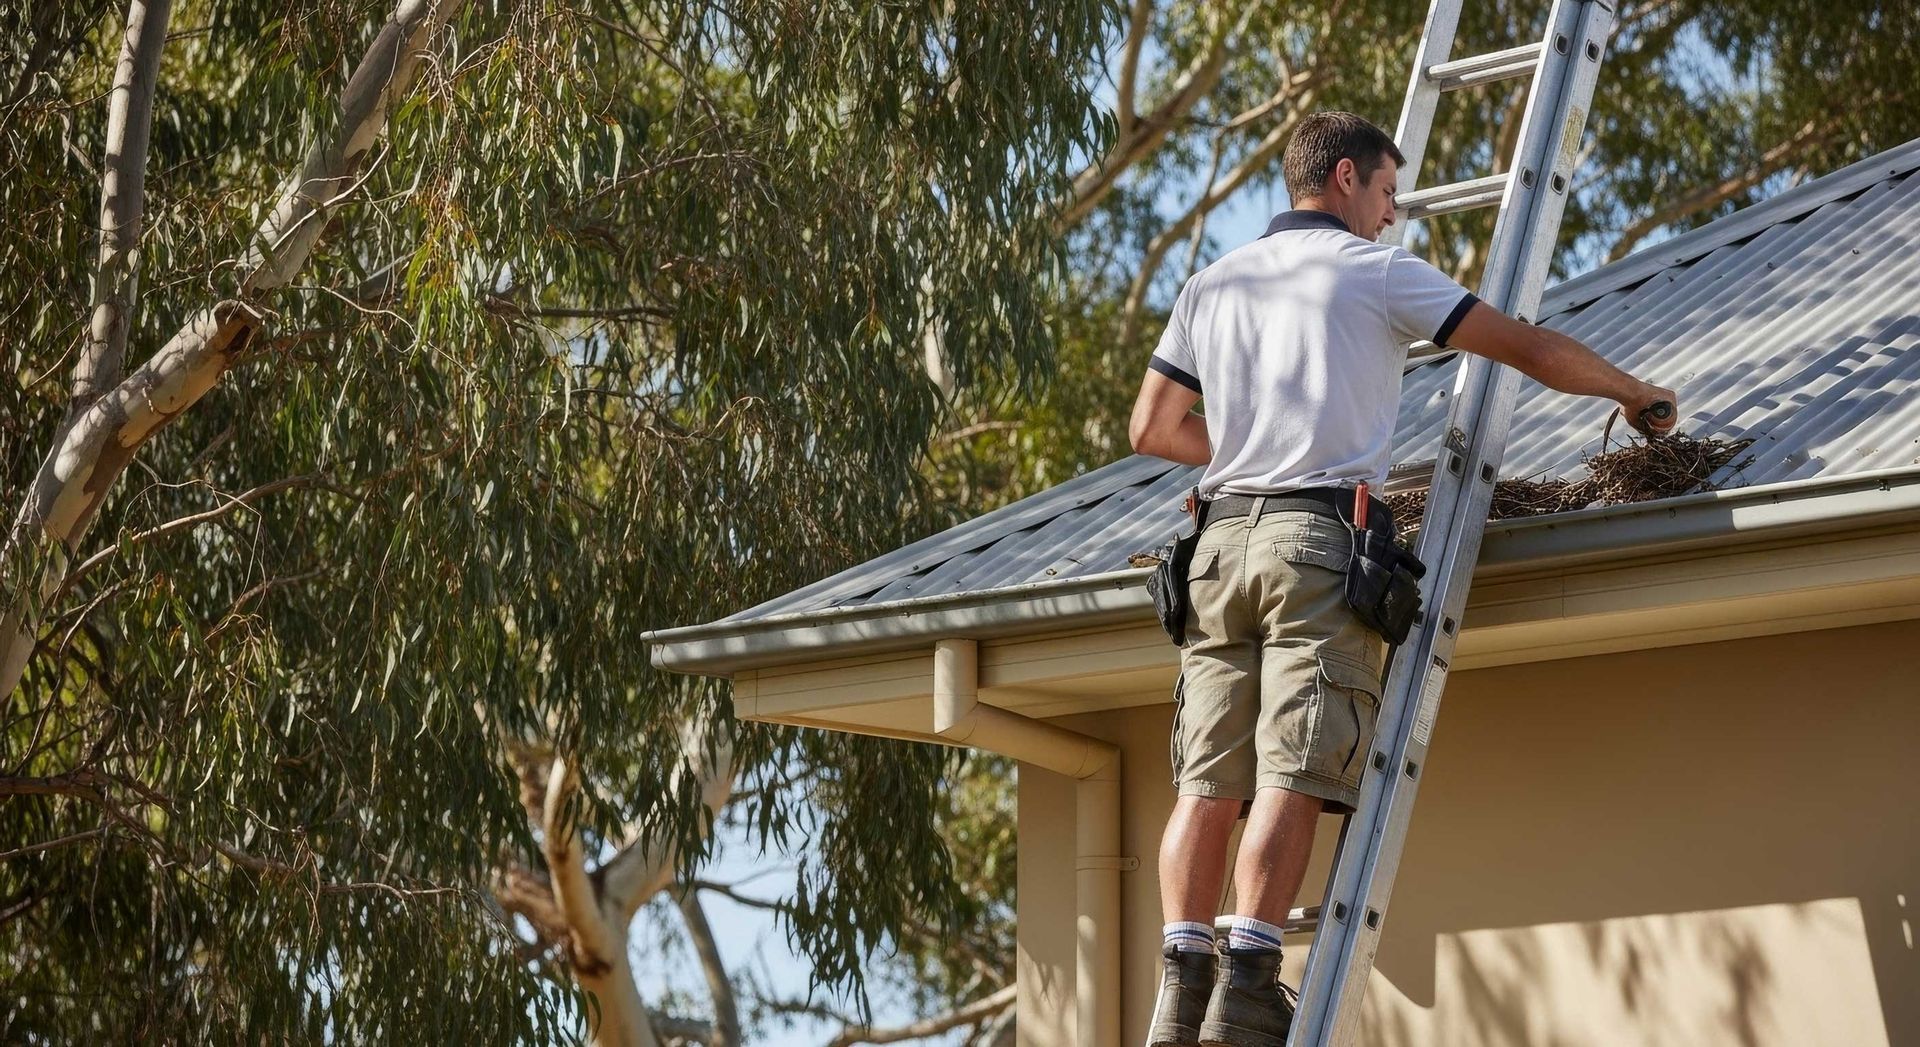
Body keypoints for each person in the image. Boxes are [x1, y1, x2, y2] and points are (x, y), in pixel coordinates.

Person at [1131, 111, 1677, 1047]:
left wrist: (1257, 447)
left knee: (1205, 781)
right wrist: (1635, 393)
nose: (1391, 216)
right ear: (1345, 178)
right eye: (1388, 193)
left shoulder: (1209, 284)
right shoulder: (1373, 272)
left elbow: (1152, 428)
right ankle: (1251, 981)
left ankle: (1182, 989)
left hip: (1215, 547)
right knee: (1292, 769)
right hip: (1311, 542)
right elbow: (1530, 349)